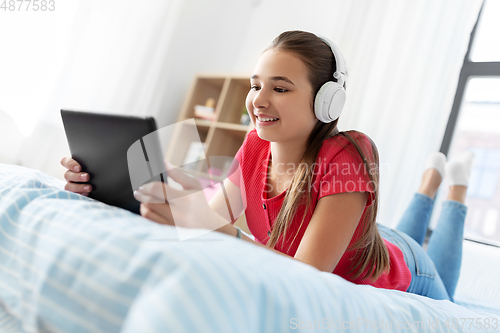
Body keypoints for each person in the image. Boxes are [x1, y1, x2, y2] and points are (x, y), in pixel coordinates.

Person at [60, 30, 472, 302]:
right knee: (406, 223)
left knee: (450, 294)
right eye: (256, 85)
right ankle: (429, 185)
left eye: (280, 88)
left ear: (327, 101)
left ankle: (452, 190)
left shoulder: (350, 153)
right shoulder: (258, 142)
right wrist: (121, 183)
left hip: (404, 267)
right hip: (360, 233)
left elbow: (307, 278)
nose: (258, 99)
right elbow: (213, 212)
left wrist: (225, 233)